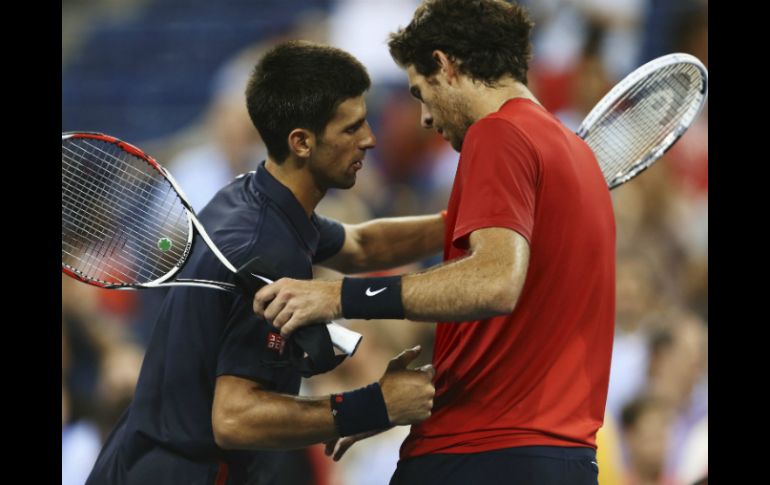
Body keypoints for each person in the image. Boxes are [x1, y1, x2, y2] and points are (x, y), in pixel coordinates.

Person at [252, 1, 616, 484]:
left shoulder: (499, 134)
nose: (424, 118)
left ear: (446, 66)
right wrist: (385, 404)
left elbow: (493, 284)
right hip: (557, 459)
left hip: (482, 456)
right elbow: (518, 333)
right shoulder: (573, 152)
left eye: (421, 93)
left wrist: (336, 296)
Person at [86, 40, 438, 485]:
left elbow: (363, 245)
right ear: (302, 142)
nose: (369, 139)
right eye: (351, 129)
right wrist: (374, 404)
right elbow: (233, 418)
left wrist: (461, 219)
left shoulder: (248, 196)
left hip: (139, 463)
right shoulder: (268, 250)